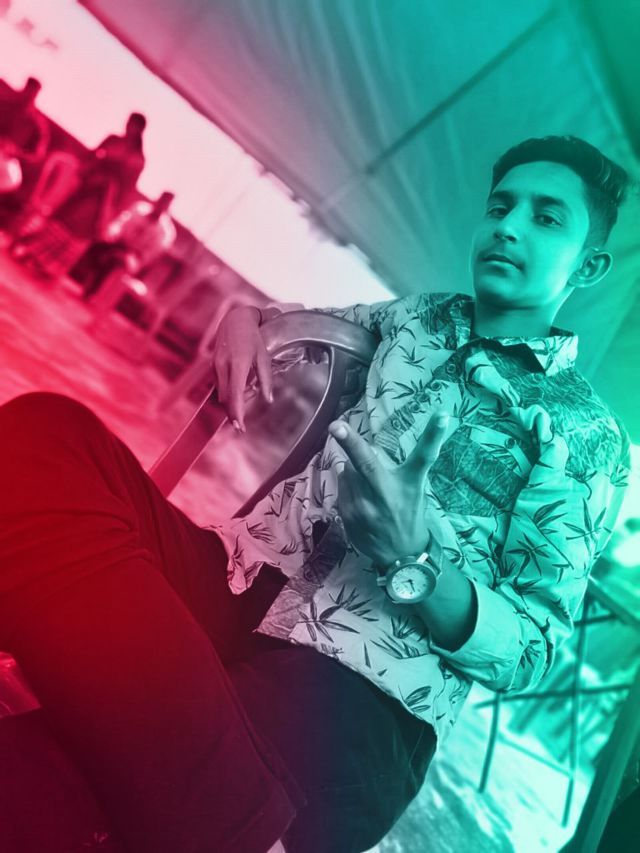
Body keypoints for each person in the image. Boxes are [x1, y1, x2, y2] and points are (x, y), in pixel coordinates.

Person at [0, 136, 631, 853]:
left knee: (32, 785)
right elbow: (299, 322)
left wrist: (417, 561)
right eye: (500, 207)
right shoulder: (421, 317)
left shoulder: (585, 435)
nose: (509, 226)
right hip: (228, 582)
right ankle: (223, 811)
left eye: (546, 218)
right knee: (47, 433)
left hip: (352, 693)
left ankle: (217, 804)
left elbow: (530, 652)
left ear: (588, 265)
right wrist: (246, 317)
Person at [11, 112, 147, 279]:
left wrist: (111, 206)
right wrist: (89, 170)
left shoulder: (138, 158)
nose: (129, 127)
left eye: (133, 125)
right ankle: (33, 252)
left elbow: (127, 187)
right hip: (87, 186)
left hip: (104, 199)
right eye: (129, 123)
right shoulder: (113, 140)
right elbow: (92, 155)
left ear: (139, 130)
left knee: (80, 229)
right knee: (63, 218)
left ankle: (50, 267)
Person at [76, 190, 176, 301]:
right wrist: (112, 234)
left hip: (134, 257)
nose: (161, 205)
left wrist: (132, 254)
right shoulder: (139, 209)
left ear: (168, 207)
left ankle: (92, 293)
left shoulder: (165, 231)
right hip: (118, 244)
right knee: (97, 244)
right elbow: (120, 223)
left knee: (113, 259)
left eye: (165, 204)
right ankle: (82, 278)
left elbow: (150, 254)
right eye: (161, 201)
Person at [0, 77, 50, 231]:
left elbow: (37, 155)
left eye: (32, 93)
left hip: (7, 163)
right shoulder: (4, 105)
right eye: (27, 90)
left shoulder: (36, 124)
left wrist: (15, 152)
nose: (28, 95)